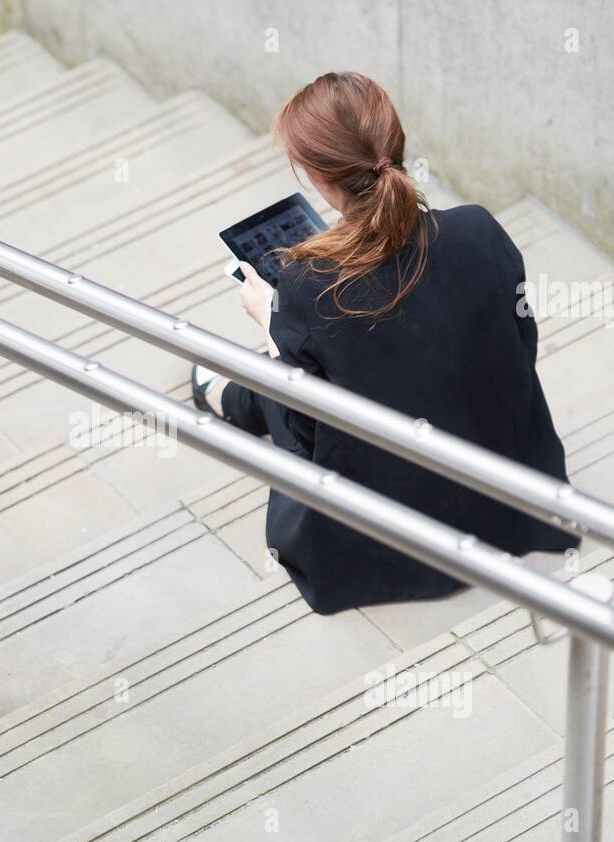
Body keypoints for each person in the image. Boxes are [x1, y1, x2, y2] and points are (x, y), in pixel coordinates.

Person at [191, 71, 578, 615]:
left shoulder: (305, 286)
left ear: (320, 180)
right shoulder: (478, 229)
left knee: (286, 372)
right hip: (516, 505)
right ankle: (233, 395)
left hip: (392, 545)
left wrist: (270, 326)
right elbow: (522, 347)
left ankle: (228, 396)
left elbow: (305, 429)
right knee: (319, 359)